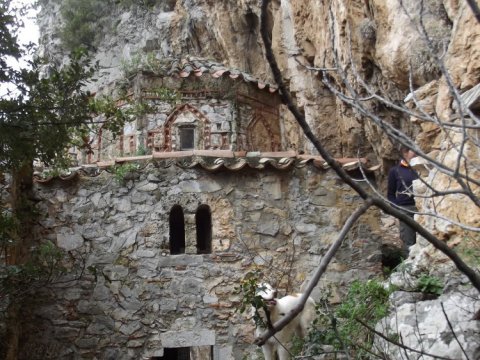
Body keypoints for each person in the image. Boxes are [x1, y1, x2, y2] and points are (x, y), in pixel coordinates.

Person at [387, 146, 419, 257]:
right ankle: (408, 267)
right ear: (405, 153)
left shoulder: (419, 168)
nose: (416, 153)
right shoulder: (395, 171)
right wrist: (397, 209)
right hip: (405, 209)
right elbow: (390, 194)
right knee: (408, 240)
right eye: (413, 151)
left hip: (422, 209)